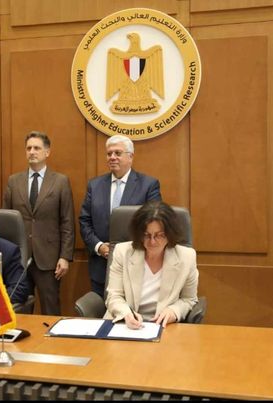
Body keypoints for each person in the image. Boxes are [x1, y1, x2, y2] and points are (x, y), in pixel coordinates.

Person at [79, 134, 162, 298]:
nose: (112, 157)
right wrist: (99, 246)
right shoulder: (94, 186)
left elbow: (155, 222)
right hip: (101, 267)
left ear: (131, 156)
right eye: (109, 153)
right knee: (101, 310)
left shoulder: (148, 185)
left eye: (117, 153)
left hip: (136, 264)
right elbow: (85, 221)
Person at [3, 131, 75, 315]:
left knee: (51, 309)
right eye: (28, 148)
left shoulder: (60, 181)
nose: (32, 152)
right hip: (19, 258)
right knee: (18, 309)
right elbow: (7, 221)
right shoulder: (13, 181)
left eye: (36, 148)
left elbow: (67, 222)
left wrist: (65, 257)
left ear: (47, 152)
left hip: (49, 258)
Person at [104, 201, 199, 329]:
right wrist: (126, 313)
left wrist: (174, 311)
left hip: (165, 326)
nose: (152, 242)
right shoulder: (122, 252)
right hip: (124, 324)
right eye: (146, 235)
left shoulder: (187, 257)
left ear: (170, 234)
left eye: (160, 235)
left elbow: (189, 299)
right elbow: (114, 295)